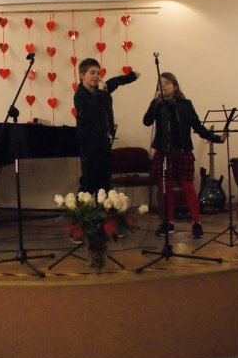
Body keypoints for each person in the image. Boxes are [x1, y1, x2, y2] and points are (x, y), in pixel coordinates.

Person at [143, 72, 224, 238]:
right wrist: (155, 102)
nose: (163, 86)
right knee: (166, 189)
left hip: (182, 151)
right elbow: (147, 121)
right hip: (164, 151)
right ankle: (169, 223)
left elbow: (198, 127)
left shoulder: (186, 104)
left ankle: (196, 223)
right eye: (160, 83)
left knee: (188, 187)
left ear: (175, 86)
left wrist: (217, 138)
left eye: (166, 83)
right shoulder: (157, 104)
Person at [74, 58, 138, 194]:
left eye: (98, 73)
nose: (96, 76)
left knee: (104, 181)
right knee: (89, 182)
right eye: (92, 72)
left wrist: (131, 77)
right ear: (82, 75)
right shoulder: (80, 95)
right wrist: (100, 92)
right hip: (89, 144)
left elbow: (115, 81)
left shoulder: (101, 89)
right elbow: (90, 112)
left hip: (103, 140)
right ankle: (84, 206)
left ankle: (104, 206)